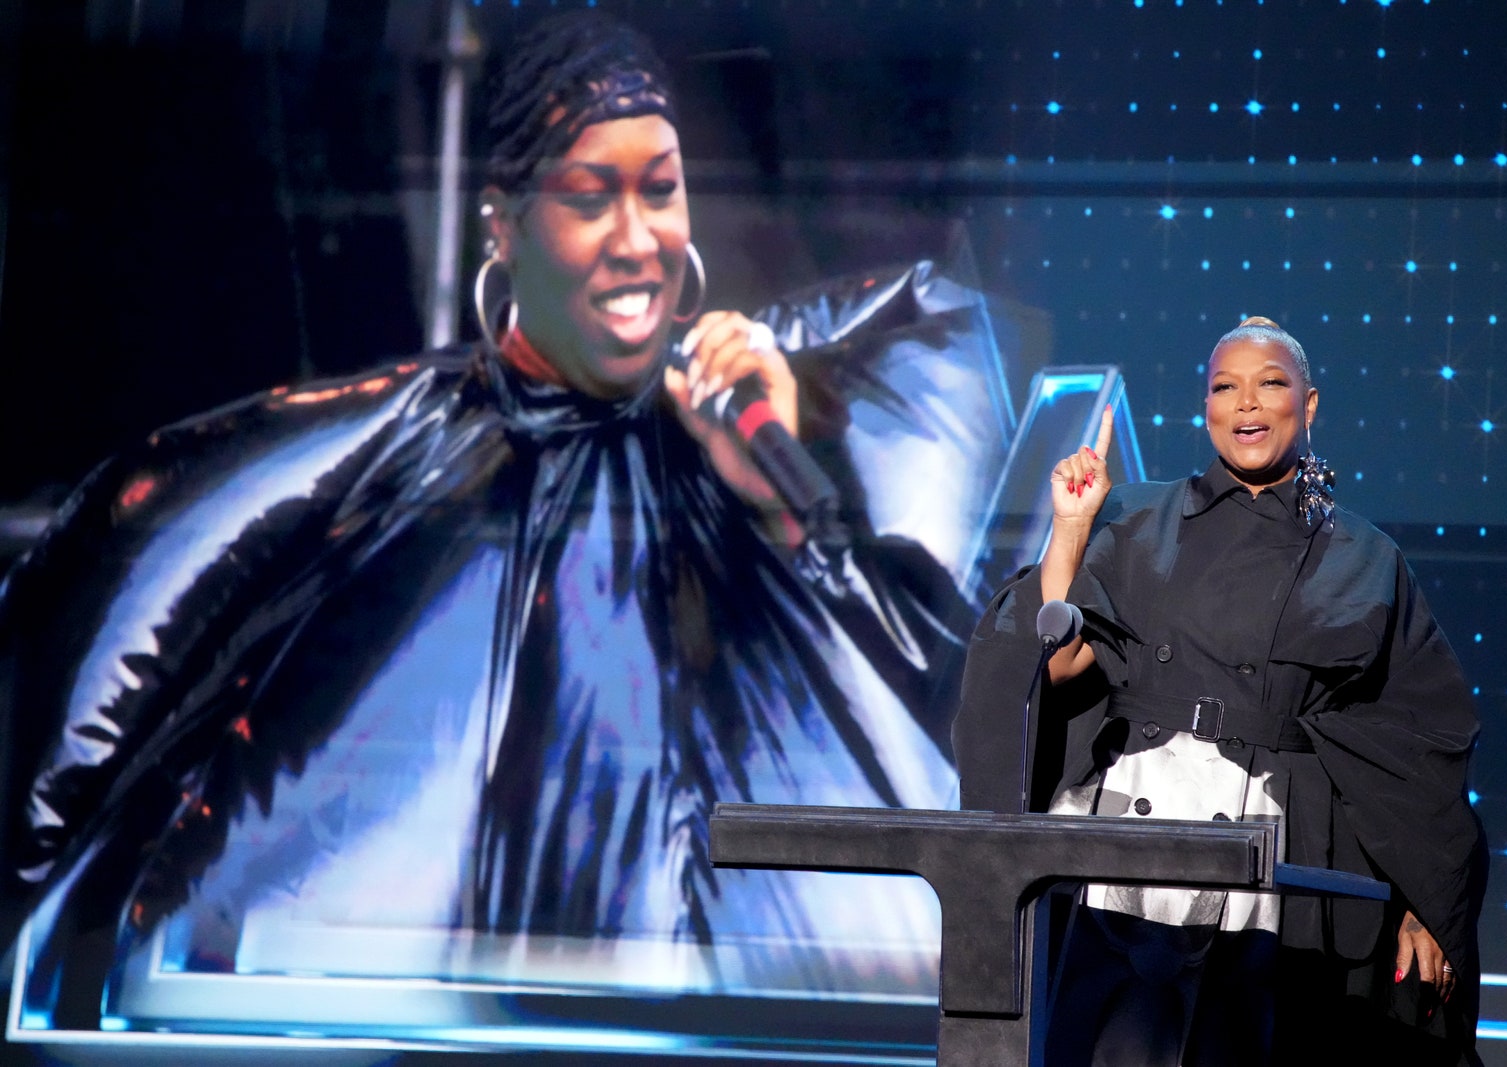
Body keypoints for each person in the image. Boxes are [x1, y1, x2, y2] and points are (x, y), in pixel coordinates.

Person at [0, 12, 1006, 1028]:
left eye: (660, 188)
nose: (636, 237)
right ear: (503, 226)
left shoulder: (745, 413)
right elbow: (129, 591)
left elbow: (952, 690)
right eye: (587, 196)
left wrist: (781, 501)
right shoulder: (408, 447)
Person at [952, 317, 1488, 1065]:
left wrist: (1429, 905)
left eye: (1270, 384)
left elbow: (1419, 739)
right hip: (1137, 845)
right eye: (1225, 386)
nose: (1247, 403)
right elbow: (1053, 663)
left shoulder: (1365, 555)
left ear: (1309, 403)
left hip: (1277, 854)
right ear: (1204, 406)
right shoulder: (1136, 516)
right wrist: (1072, 526)